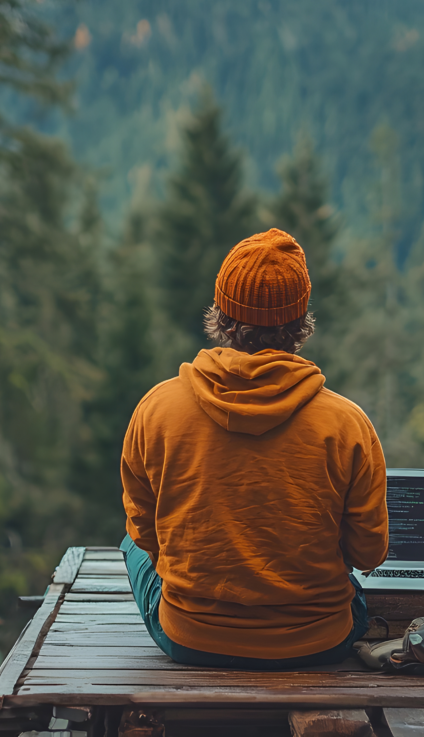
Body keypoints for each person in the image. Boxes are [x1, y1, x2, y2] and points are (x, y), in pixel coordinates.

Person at [120, 228, 389, 668]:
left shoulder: (157, 409)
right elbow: (368, 554)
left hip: (191, 638)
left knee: (128, 542)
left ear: (222, 317)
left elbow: (145, 533)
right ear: (300, 323)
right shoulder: (347, 423)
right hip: (317, 642)